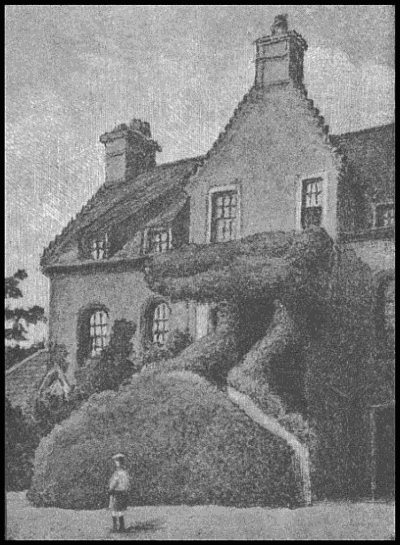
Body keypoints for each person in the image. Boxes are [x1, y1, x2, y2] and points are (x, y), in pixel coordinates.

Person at [109, 453, 130, 533]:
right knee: (121, 509)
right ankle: (121, 527)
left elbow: (113, 483)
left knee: (114, 509)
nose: (116, 463)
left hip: (116, 492)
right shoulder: (125, 473)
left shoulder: (117, 473)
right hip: (123, 492)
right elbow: (127, 483)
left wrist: (110, 489)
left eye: (116, 461)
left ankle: (115, 527)